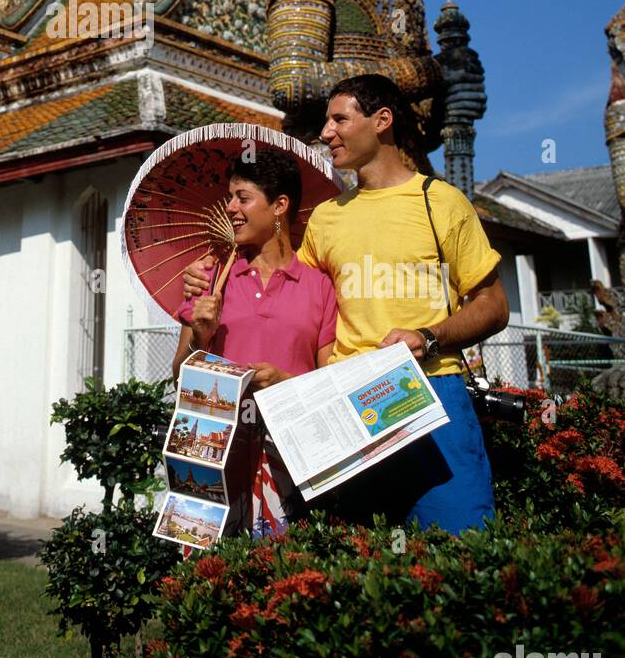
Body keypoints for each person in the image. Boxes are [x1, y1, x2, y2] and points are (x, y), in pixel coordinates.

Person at [184, 74, 509, 535]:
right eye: (325, 122)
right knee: (359, 557)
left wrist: (428, 336)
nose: (326, 133)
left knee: (461, 544)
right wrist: (206, 273)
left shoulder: (441, 203)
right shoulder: (326, 220)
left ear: (381, 121)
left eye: (339, 119)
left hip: (434, 388)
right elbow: (285, 290)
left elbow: (494, 305)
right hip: (353, 403)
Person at [172, 147, 338, 537]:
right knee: (203, 578)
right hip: (212, 454)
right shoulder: (209, 279)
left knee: (284, 572)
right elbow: (179, 375)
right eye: (229, 197)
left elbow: (330, 380)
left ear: (279, 205)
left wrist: (284, 380)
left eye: (242, 198)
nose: (230, 207)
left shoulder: (320, 287)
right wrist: (200, 335)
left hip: (290, 452)